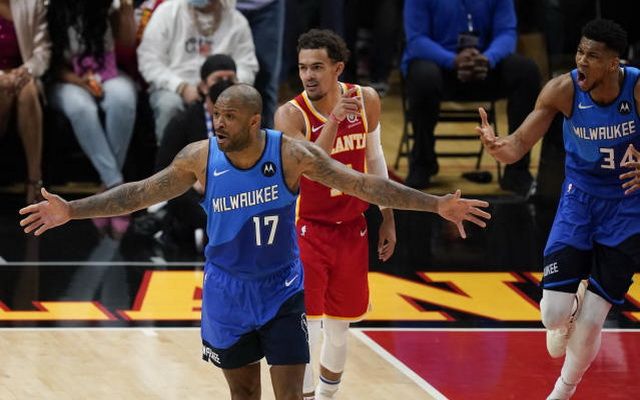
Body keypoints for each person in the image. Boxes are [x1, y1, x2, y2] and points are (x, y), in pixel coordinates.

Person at [20, 84, 490, 400]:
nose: (219, 124)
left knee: (291, 394)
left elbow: (364, 184)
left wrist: (435, 205)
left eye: (229, 117)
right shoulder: (199, 158)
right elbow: (139, 193)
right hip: (227, 294)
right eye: (215, 115)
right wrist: (71, 210)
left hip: (281, 290)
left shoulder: (290, 154)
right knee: (244, 394)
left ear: (254, 121)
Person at [476, 19, 639, 400]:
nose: (581, 60)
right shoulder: (562, 90)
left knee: (591, 323)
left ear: (613, 63)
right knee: (552, 316)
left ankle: (563, 390)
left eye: (592, 56)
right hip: (579, 202)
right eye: (580, 51)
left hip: (627, 210)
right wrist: (497, 146)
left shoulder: (636, 89)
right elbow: (518, 145)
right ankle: (571, 302)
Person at [274, 29, 395, 400]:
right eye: (302, 68)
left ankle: (327, 396)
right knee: (307, 327)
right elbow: (311, 167)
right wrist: (334, 122)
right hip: (307, 228)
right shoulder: (289, 114)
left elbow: (374, 158)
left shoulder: (366, 99)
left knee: (340, 329)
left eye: (317, 67)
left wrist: (387, 215)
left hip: (353, 227)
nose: (308, 75)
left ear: (337, 68)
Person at [402, 0, 541, 194]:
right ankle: (422, 162)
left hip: (484, 66)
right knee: (423, 76)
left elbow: (507, 33)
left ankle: (517, 170)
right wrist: (452, 60)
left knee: (526, 72)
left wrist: (488, 58)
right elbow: (417, 40)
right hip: (439, 68)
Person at [46, 0, 137, 236]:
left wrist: (126, 7)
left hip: (105, 73)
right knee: (82, 108)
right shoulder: (52, 9)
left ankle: (106, 190)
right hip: (65, 79)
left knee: (123, 99)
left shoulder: (107, 7)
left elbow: (127, 42)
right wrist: (80, 82)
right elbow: (51, 64)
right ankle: (117, 188)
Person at [137, 0, 258, 142]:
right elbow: (149, 60)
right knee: (169, 105)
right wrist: (181, 87)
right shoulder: (167, 12)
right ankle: (168, 154)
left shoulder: (237, 21)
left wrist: (226, 88)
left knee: (243, 104)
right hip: (174, 89)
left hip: (222, 90)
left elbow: (247, 66)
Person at [153, 53, 236, 251]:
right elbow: (162, 173)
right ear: (204, 86)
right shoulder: (182, 123)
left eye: (230, 79)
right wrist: (192, 180)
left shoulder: (249, 122)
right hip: (194, 195)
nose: (225, 84)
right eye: (218, 79)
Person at [0, 0, 50, 204]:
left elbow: (43, 51)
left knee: (28, 92)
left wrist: (25, 71)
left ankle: (35, 180)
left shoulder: (32, 3)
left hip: (23, 75)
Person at [236, 0, 285, 128]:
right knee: (222, 74)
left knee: (266, 79)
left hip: (266, 6)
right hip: (224, 6)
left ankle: (267, 137)